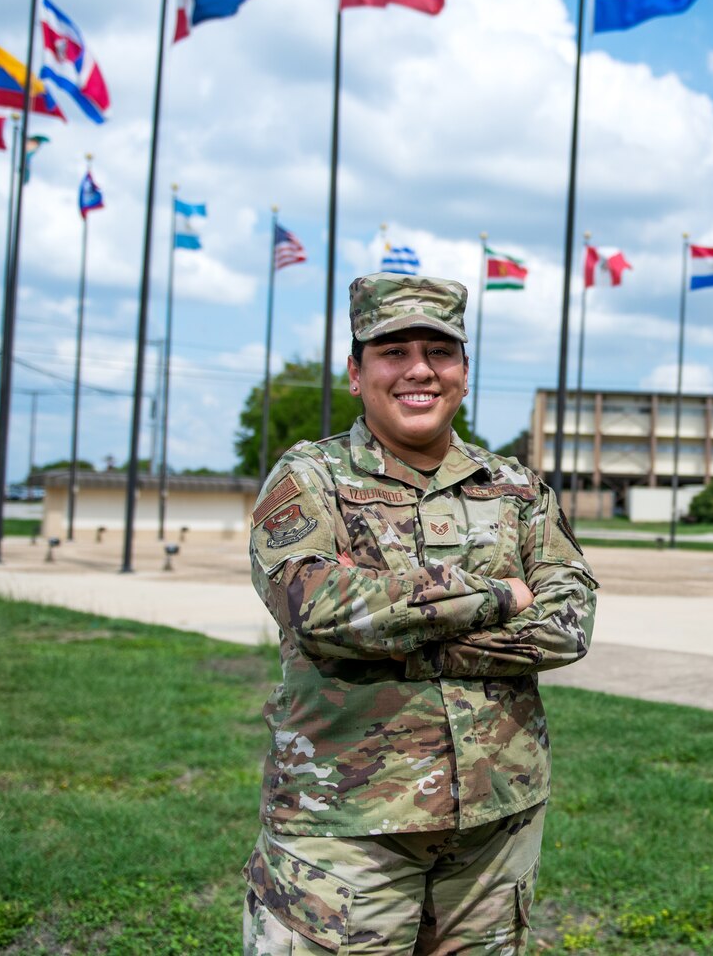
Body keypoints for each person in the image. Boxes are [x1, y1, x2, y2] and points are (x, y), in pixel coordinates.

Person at [242, 272, 597, 955]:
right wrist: (497, 597)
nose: (419, 371)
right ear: (355, 372)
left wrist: (398, 634)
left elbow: (568, 621)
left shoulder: (517, 488)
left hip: (495, 831)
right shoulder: (311, 479)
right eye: (393, 351)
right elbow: (314, 606)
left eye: (439, 351)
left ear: (463, 371)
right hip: (344, 832)